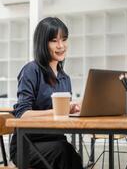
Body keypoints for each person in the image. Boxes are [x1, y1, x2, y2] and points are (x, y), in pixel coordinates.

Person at [10, 17, 83, 169]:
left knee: (70, 154)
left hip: (56, 141)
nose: (61, 45)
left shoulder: (65, 78)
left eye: (64, 39)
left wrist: (75, 110)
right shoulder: (31, 70)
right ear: (43, 43)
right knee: (65, 153)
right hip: (27, 146)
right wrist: (60, 110)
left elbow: (63, 117)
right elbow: (22, 115)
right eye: (54, 40)